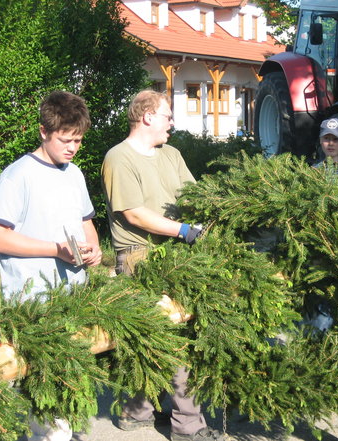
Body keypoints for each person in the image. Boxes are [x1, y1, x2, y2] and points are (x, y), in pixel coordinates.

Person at [101, 90, 226, 441]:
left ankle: (137, 411)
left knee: (159, 336)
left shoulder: (171, 154)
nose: (172, 122)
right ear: (147, 117)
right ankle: (188, 426)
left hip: (176, 255)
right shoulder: (119, 158)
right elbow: (133, 213)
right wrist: (184, 230)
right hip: (141, 257)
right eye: (167, 116)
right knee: (171, 339)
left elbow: (194, 195)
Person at [0, 90, 102, 441]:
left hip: (71, 301)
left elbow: (86, 222)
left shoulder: (75, 174)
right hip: (31, 305)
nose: (73, 148)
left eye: (78, 140)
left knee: (59, 398)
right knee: (47, 410)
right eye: (66, 140)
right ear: (43, 131)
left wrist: (94, 249)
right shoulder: (17, 176)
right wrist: (55, 249)